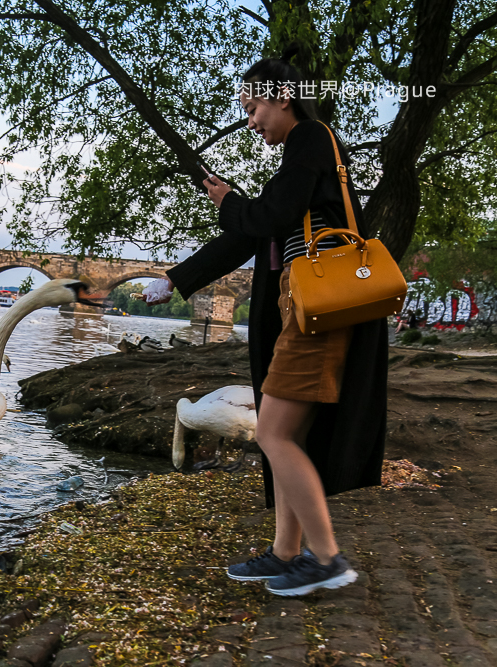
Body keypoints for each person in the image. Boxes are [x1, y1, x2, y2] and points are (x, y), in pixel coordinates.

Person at [149, 49, 387, 596]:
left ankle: (326, 560)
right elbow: (252, 232)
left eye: (254, 105)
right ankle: (286, 553)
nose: (250, 119)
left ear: (284, 98)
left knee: (274, 432)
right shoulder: (297, 165)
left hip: (318, 315)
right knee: (290, 434)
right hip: (301, 314)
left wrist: (231, 201)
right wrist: (177, 279)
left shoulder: (311, 138)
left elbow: (264, 217)